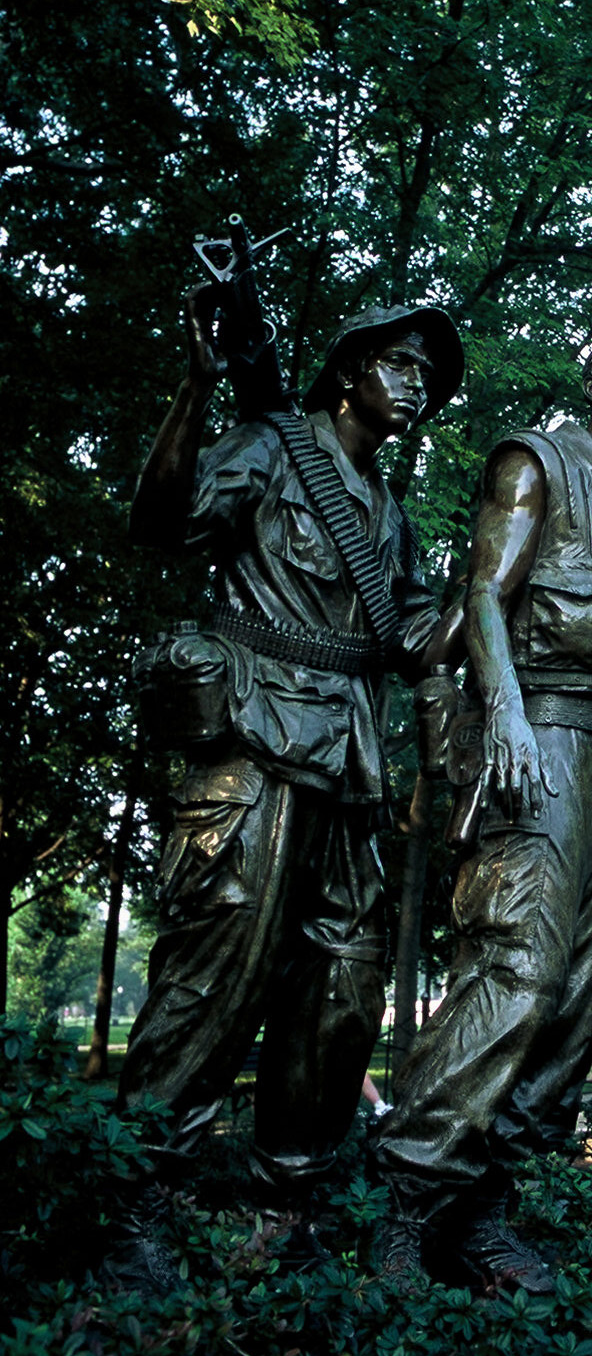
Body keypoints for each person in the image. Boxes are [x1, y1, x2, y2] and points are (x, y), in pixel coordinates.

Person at [111, 292, 463, 1288]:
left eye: (426, 376)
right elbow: (164, 520)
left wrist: (494, 583)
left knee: (338, 994)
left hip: (350, 765)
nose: (417, 383)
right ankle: (138, 1198)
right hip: (255, 745)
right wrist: (195, 387)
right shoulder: (270, 445)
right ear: (348, 371)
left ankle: (283, 1211)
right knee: (216, 976)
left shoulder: (389, 515)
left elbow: (411, 636)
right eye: (400, 363)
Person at [369, 322, 592, 1293]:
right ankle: (403, 1212)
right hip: (539, 732)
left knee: (586, 995)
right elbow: (483, 592)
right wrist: (500, 708)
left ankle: (482, 1211)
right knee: (516, 970)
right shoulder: (535, 459)